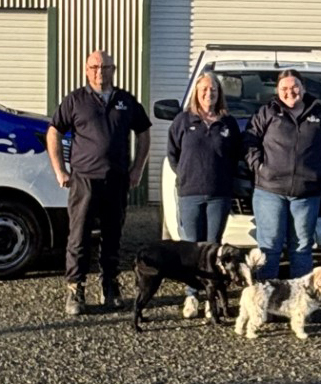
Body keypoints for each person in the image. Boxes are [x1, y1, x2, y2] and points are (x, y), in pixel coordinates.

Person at [47, 49, 151, 316]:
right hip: (84, 181)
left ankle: (110, 285)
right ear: (86, 69)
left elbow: (144, 132)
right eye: (94, 67)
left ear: (113, 70)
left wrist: (137, 168)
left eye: (105, 67)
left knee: (112, 236)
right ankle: (75, 289)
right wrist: (60, 170)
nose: (99, 72)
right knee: (79, 237)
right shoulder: (75, 101)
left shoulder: (125, 101)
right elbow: (54, 131)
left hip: (116, 180)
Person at [244, 69, 321, 280]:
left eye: (294, 87)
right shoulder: (267, 113)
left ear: (303, 88)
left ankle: (300, 303)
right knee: (269, 247)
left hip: (307, 193)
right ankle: (266, 301)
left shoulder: (320, 115)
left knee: (301, 248)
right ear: (277, 91)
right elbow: (250, 141)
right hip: (269, 191)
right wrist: (259, 167)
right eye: (284, 88)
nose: (290, 92)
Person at [167, 71, 242, 318]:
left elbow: (235, 156)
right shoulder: (182, 120)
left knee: (213, 249)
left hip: (218, 194)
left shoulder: (228, 123)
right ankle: (191, 296)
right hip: (190, 193)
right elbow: (173, 154)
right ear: (196, 93)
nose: (208, 93)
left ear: (219, 94)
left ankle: (212, 298)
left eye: (213, 90)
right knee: (191, 249)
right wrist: (187, 175)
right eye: (204, 90)